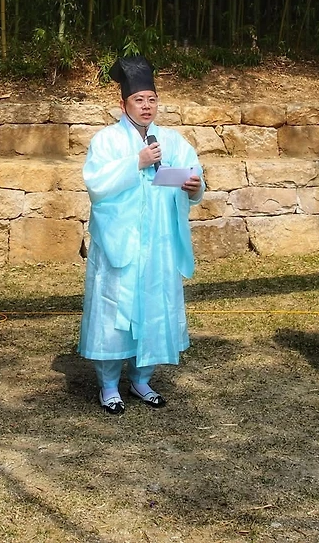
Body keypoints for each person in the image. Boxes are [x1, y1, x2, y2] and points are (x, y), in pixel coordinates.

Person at [79, 56, 205, 415]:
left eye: (151, 99)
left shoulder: (172, 140)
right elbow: (96, 184)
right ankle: (108, 384)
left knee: (153, 307)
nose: (146, 106)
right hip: (121, 240)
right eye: (139, 100)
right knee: (115, 308)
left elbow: (193, 175)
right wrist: (137, 161)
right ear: (124, 105)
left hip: (159, 241)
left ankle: (141, 378)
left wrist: (194, 186)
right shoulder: (105, 140)